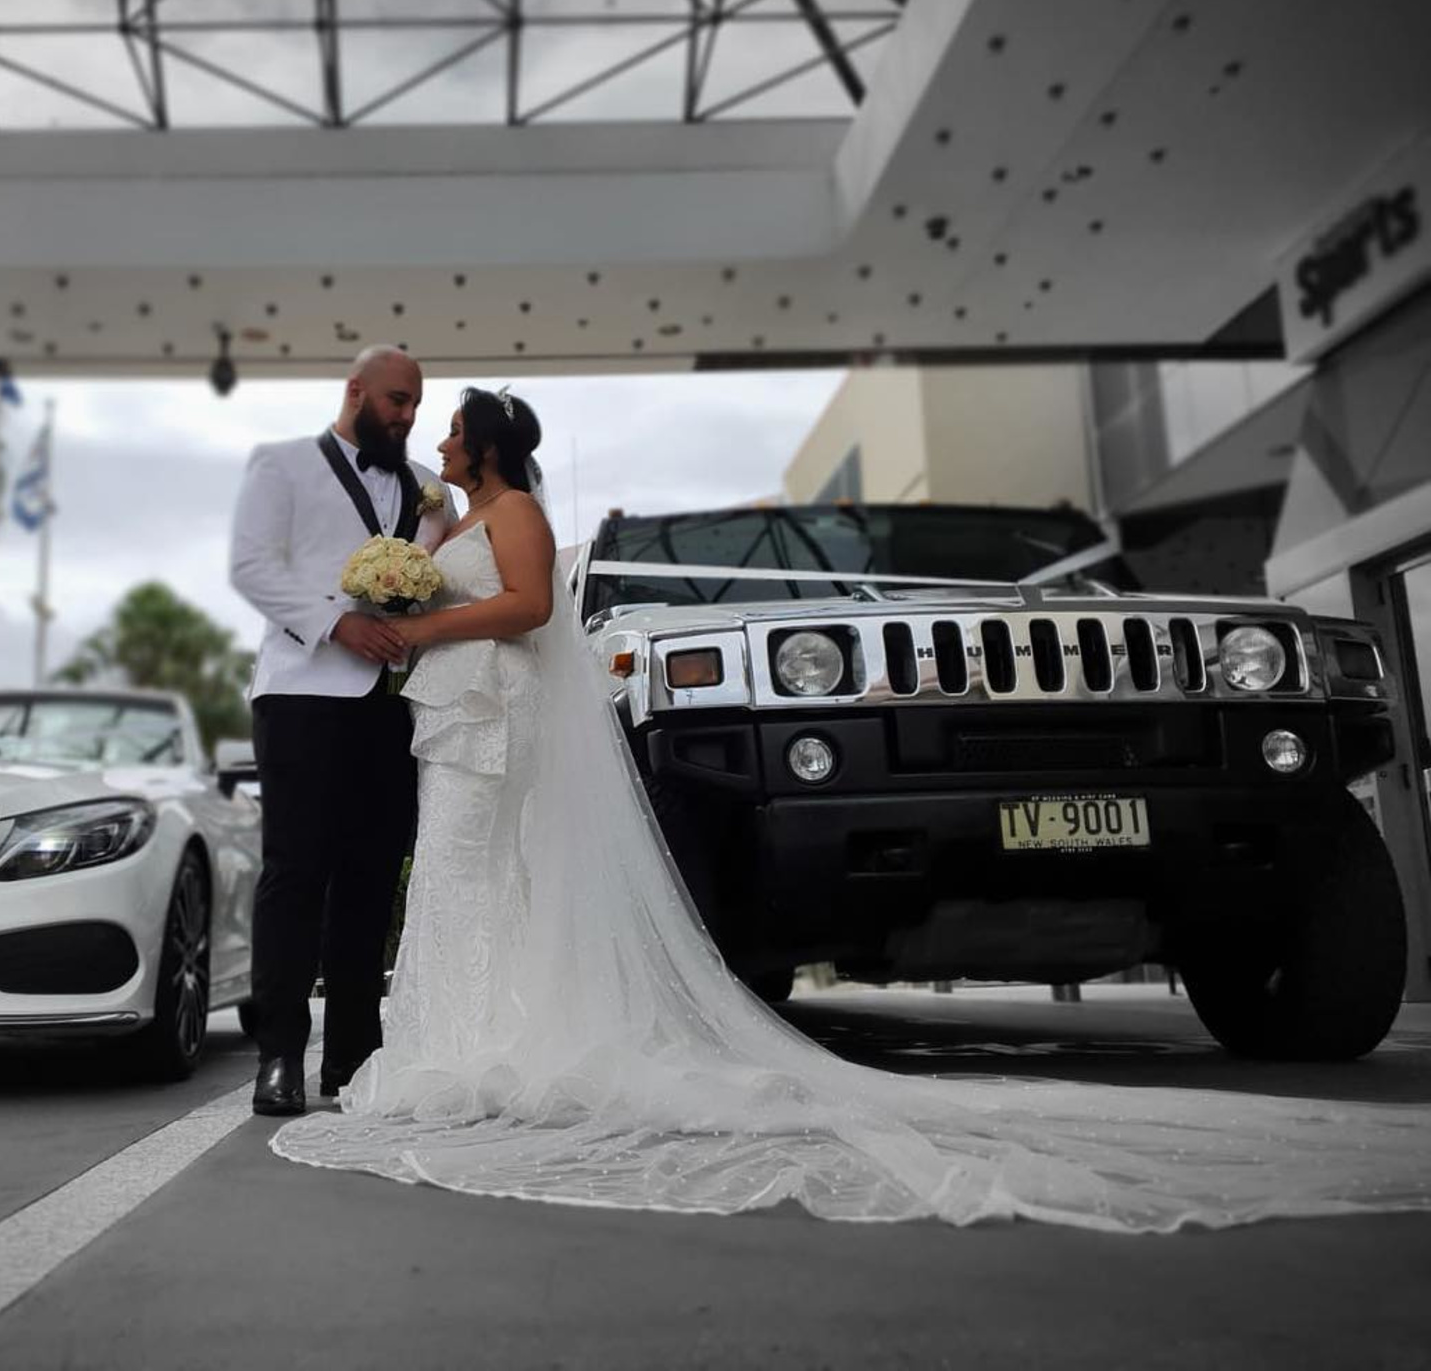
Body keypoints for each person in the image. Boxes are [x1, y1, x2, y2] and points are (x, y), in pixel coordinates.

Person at [270, 386, 1431, 1231]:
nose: (432, 431)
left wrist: (418, 614)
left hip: (491, 709)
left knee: (484, 879)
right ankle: (462, 1050)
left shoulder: (509, 516)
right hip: (465, 721)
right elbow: (421, 544)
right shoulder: (458, 515)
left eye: (444, 420)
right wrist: (395, 544)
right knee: (475, 885)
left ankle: (485, 1053)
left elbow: (516, 605)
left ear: (480, 442)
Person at [229, 345, 450, 1116]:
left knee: (370, 875)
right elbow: (252, 567)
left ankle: (355, 1060)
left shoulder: (430, 490)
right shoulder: (281, 464)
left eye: (415, 405)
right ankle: (280, 1058)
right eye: (395, 400)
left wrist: (409, 619)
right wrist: (338, 625)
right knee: (295, 875)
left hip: (393, 700)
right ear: (354, 390)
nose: (406, 416)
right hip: (300, 694)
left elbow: (439, 582)